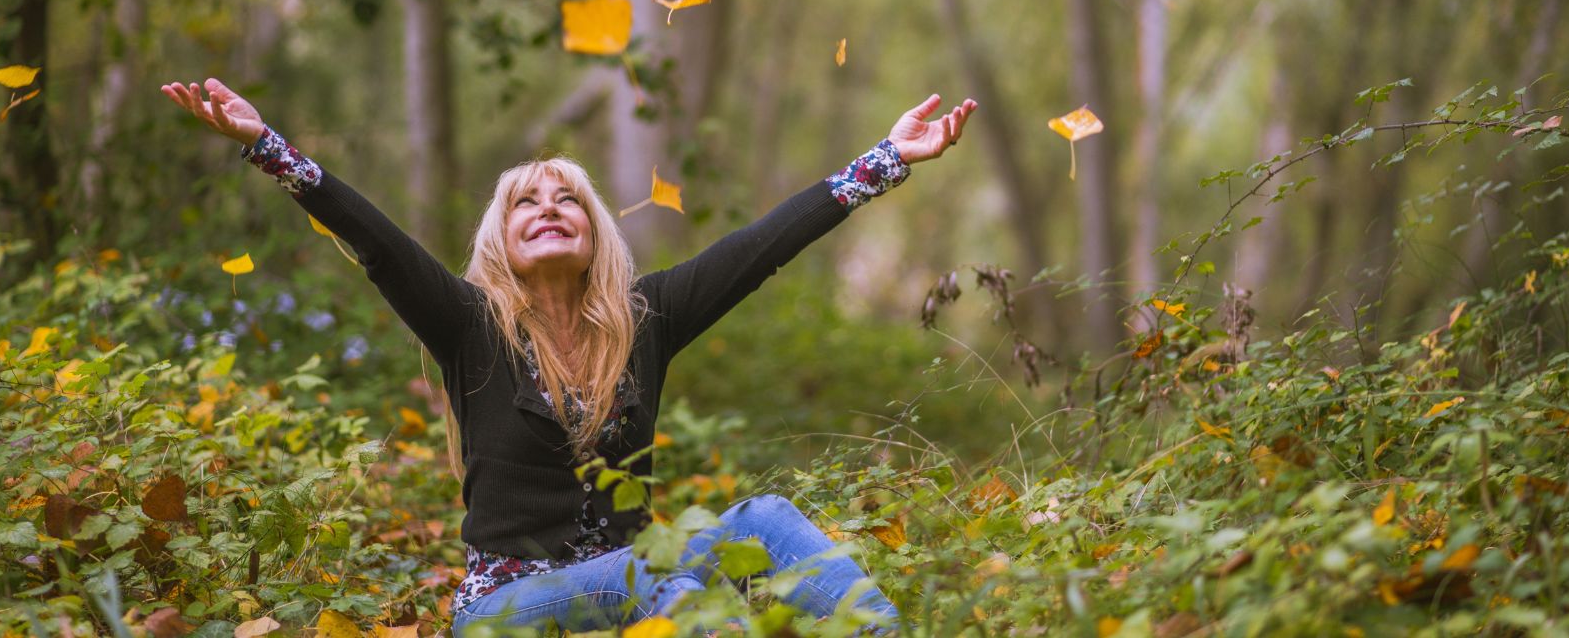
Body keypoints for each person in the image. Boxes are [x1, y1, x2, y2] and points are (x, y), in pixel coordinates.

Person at [161, 77, 977, 636]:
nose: (548, 208)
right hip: (506, 610)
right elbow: (375, 242)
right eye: (526, 202)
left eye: (567, 200)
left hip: (634, 577)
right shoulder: (470, 325)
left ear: (594, 236)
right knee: (668, 584)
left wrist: (888, 159)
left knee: (759, 524)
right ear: (500, 241)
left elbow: (762, 246)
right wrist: (266, 144)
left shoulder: (644, 320)